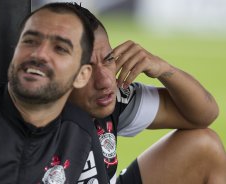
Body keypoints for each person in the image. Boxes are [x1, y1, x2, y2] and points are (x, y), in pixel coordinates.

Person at [0, 3, 110, 184]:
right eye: (30, 41)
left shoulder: (78, 131)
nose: (39, 54)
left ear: (81, 75)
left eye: (60, 48)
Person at [70, 5, 226, 184]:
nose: (105, 81)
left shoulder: (112, 97)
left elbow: (204, 114)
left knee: (205, 146)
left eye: (108, 59)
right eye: (87, 68)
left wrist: (163, 69)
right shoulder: (40, 118)